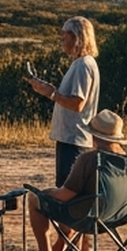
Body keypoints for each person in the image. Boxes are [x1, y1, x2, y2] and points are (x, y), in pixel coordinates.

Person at [13, 109, 127, 251]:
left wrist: (44, 194)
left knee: (34, 199)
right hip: (119, 214)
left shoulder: (89, 159)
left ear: (94, 135)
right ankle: (71, 250)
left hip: (88, 216)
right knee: (79, 200)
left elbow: (65, 195)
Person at [25, 16, 100, 187]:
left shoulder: (83, 65)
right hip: (71, 137)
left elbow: (77, 103)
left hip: (74, 139)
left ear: (76, 37)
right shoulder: (82, 64)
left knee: (67, 192)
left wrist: (51, 94)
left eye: (64, 36)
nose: (61, 40)